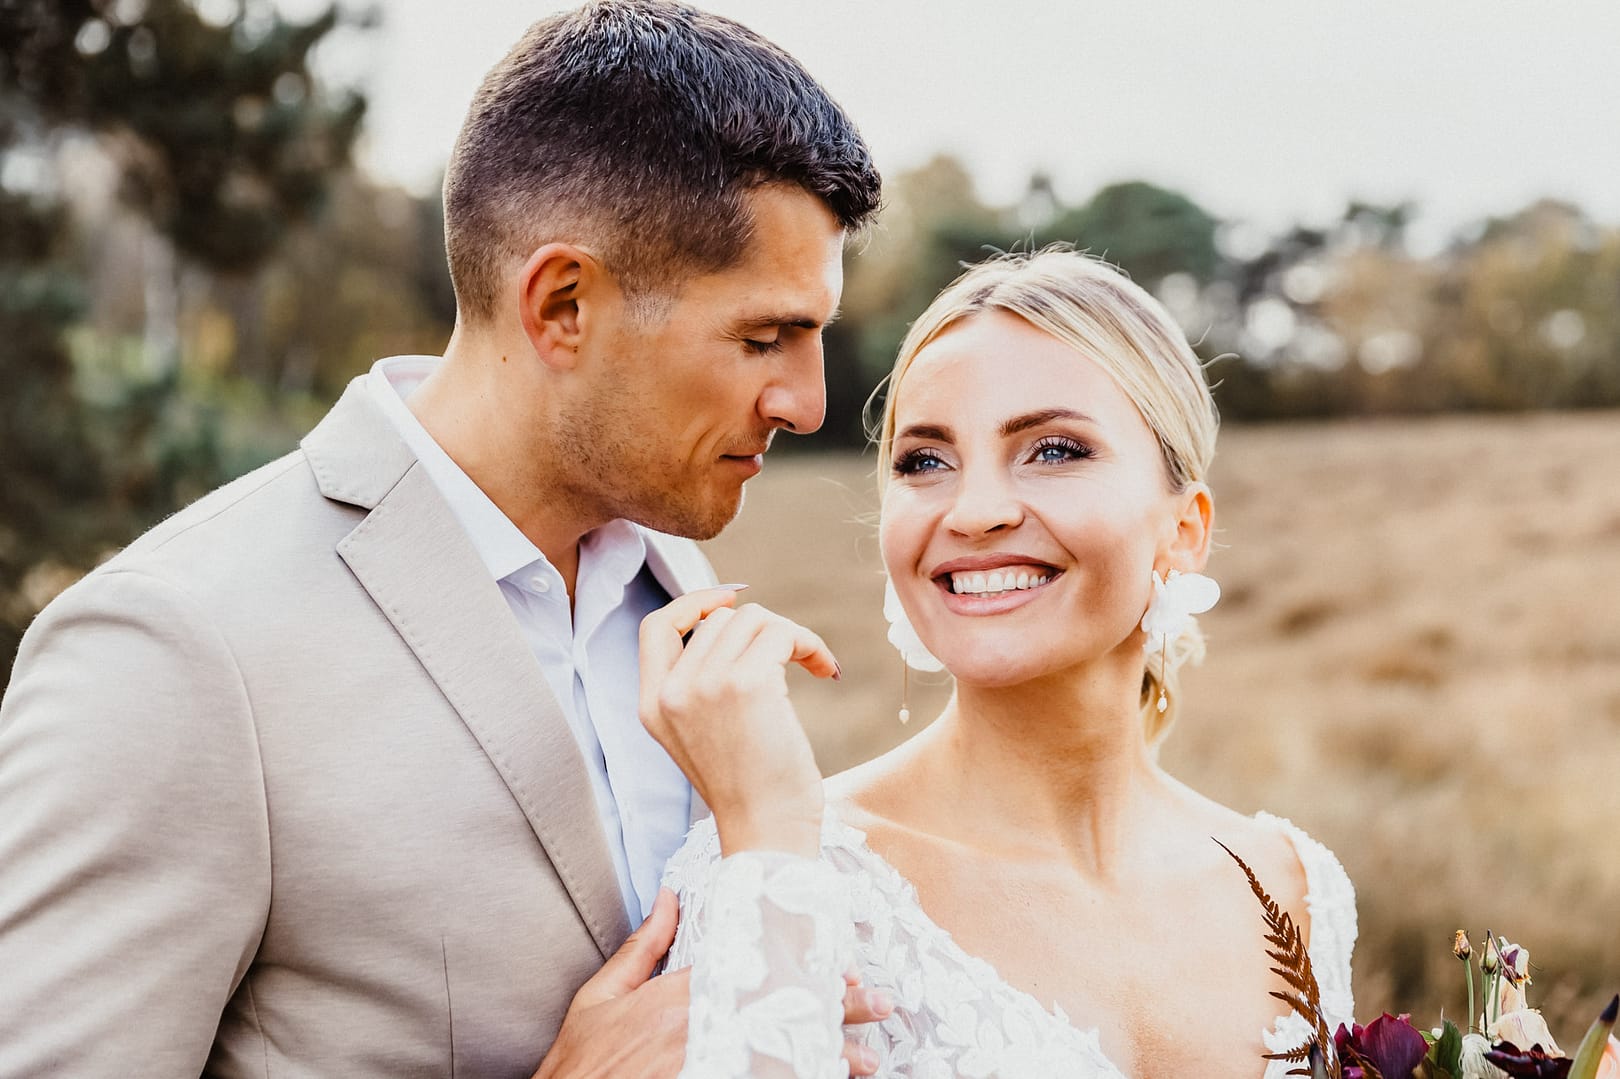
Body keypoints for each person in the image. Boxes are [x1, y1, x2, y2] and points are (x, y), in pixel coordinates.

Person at [0, 2, 890, 1075]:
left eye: (815, 334)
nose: (806, 399)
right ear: (562, 304)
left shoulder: (678, 591)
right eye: (763, 337)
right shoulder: (178, 647)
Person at [642, 249, 1358, 1077]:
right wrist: (765, 838)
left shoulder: (1298, 884)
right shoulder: (777, 868)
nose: (975, 512)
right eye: (925, 461)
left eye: (1054, 450)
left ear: (1184, 530)